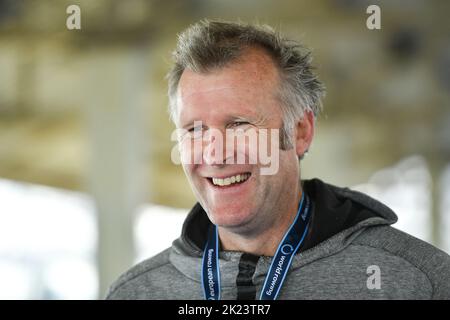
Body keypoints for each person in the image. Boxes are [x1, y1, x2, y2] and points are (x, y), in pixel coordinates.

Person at [106, 20, 450, 300]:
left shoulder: (418, 282)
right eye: (194, 129)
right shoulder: (135, 293)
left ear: (300, 131)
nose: (214, 153)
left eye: (238, 124)